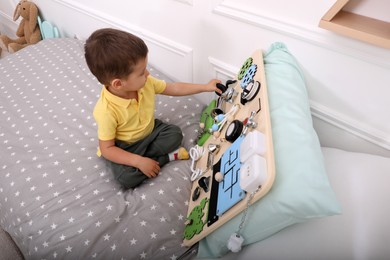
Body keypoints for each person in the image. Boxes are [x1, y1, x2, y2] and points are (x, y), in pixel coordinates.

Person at [84, 28, 221, 189]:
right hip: (125, 146)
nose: (148, 74)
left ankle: (150, 159)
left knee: (175, 134)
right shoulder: (106, 111)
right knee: (126, 178)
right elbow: (107, 149)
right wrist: (137, 161)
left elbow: (174, 88)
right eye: (141, 72)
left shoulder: (145, 83)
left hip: (150, 132)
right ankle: (166, 158)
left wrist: (205, 87)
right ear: (118, 84)